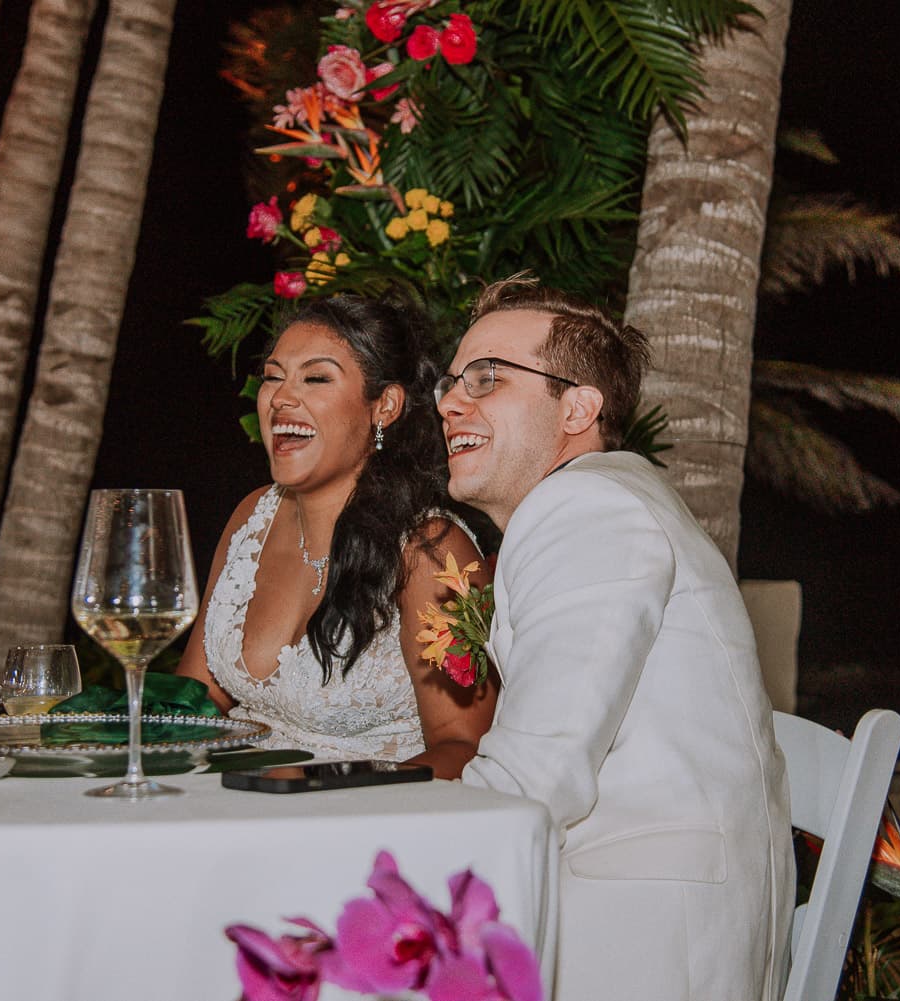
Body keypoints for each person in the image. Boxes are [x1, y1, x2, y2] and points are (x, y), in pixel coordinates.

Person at [438, 277, 794, 1001]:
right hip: (663, 922)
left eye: (487, 378)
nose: (449, 401)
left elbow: (532, 780)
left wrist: (365, 836)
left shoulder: (587, 505)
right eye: (451, 382)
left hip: (642, 943)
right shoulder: (617, 495)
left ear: (578, 406)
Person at [176, 295, 496, 779]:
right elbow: (196, 700)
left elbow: (463, 748)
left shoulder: (432, 552)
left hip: (356, 828)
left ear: (384, 406)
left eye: (316, 378)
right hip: (228, 804)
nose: (281, 398)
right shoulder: (253, 517)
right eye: (273, 376)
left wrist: (317, 794)